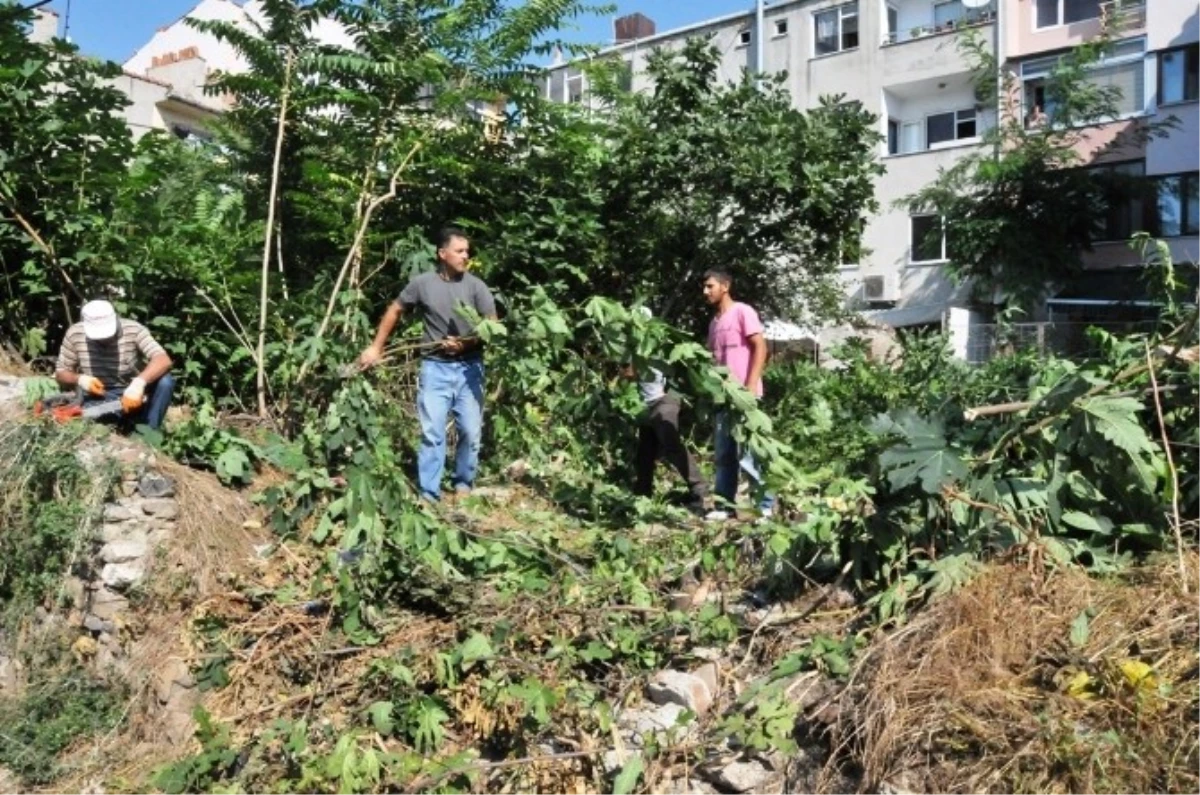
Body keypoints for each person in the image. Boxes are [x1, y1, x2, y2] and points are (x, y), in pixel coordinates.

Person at [358, 227, 498, 503]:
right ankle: (429, 494)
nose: (465, 256)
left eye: (467, 251)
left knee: (470, 431)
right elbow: (395, 309)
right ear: (442, 254)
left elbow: (492, 324)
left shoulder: (476, 286)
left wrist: (466, 343)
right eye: (459, 251)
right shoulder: (422, 284)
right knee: (433, 433)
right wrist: (376, 347)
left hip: (470, 367)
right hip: (435, 367)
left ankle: (463, 485)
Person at [701, 269, 775, 521]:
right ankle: (724, 506)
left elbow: (760, 346)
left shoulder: (742, 312)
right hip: (723, 398)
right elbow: (713, 358)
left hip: (745, 395)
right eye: (705, 287)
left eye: (710, 286)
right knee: (724, 452)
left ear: (725, 286)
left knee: (751, 452)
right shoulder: (714, 322)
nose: (706, 291)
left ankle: (764, 505)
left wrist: (751, 385)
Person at [626, 308, 709, 515]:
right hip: (648, 405)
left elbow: (630, 373)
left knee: (672, 446)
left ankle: (700, 490)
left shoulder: (654, 343)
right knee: (645, 452)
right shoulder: (638, 346)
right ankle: (642, 496)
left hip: (664, 401)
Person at [54, 299, 176, 430]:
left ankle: (149, 431)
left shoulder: (133, 330)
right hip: (100, 394)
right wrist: (80, 379)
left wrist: (139, 383)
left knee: (165, 382)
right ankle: (121, 423)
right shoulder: (75, 334)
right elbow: (61, 373)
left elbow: (163, 359)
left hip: (131, 390)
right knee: (77, 416)